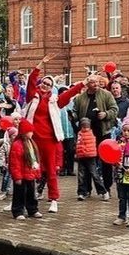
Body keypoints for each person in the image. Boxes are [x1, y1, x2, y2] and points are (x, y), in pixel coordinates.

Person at [25, 54, 85, 212]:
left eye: (49, 84)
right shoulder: (33, 96)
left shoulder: (54, 100)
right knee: (30, 168)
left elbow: (69, 94)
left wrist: (83, 83)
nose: (45, 86)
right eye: (44, 83)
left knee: (51, 170)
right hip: (33, 139)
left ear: (52, 88)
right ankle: (27, 198)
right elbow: (31, 80)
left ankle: (53, 200)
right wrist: (40, 64)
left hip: (50, 140)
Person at [71, 73, 119, 201]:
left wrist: (106, 114)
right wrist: (74, 116)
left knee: (106, 162)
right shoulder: (80, 98)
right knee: (86, 163)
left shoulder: (106, 95)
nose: (96, 85)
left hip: (103, 133)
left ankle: (107, 187)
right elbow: (75, 111)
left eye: (98, 82)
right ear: (87, 84)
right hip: (87, 135)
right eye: (93, 83)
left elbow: (115, 109)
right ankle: (86, 190)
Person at [9, 119, 42, 220]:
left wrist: (37, 173)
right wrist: (17, 176)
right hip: (21, 175)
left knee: (31, 193)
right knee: (19, 194)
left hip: (30, 174)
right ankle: (18, 211)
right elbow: (15, 163)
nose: (32, 133)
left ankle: (32, 209)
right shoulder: (17, 145)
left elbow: (35, 160)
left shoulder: (31, 143)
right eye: (30, 131)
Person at [75, 117, 106, 199]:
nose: (85, 128)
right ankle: (82, 192)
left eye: (86, 126)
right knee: (81, 176)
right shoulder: (79, 134)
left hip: (90, 157)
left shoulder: (92, 133)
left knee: (94, 174)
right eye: (83, 126)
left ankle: (103, 191)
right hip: (81, 157)